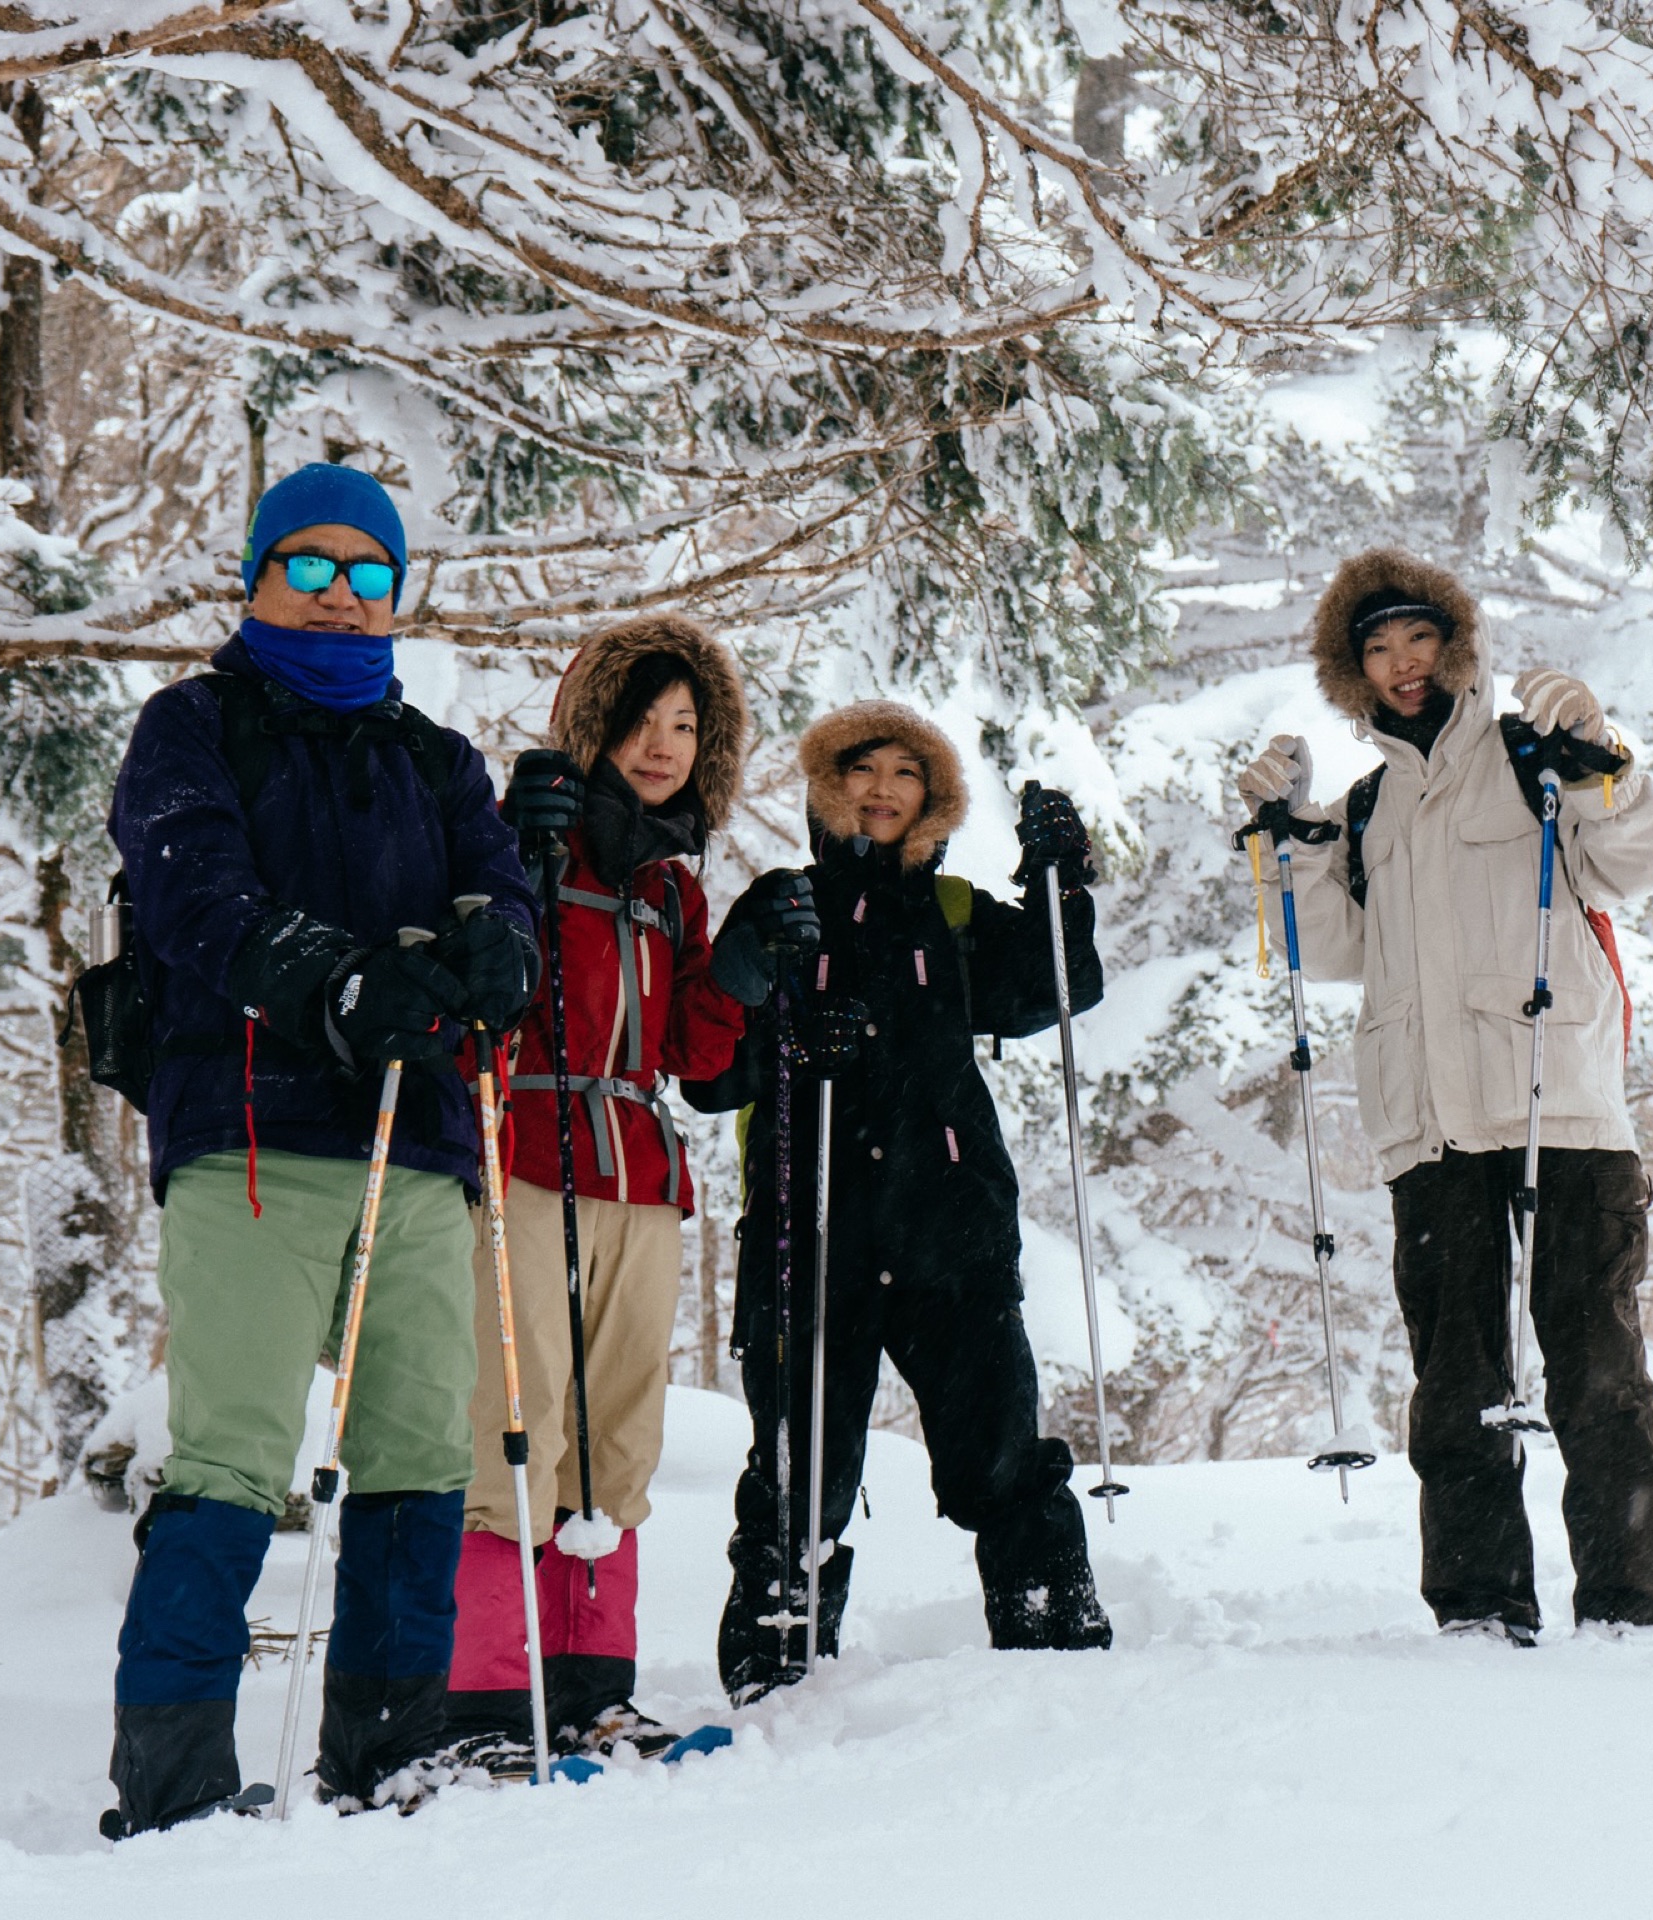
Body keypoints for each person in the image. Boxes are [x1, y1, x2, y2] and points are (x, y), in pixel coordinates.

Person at [102, 463, 539, 1833]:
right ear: (258, 574)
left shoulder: (436, 759)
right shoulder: (194, 726)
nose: (343, 597)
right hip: (251, 1134)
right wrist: (335, 981)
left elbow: (504, 898)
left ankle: (391, 1754)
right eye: (314, 565)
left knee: (418, 1448)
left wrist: (496, 955)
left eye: (370, 574)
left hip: (421, 1149)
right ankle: (172, 1787)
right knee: (232, 1454)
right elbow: (195, 897)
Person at [1234, 548, 1653, 1643]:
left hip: (1559, 1104)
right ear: (1355, 674)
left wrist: (1602, 759)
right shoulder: (1371, 804)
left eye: (1418, 638)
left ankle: (1627, 1607)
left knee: (1595, 1369)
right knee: (1456, 1380)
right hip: (1429, 1125)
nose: (1401, 663)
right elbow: (1321, 951)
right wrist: (1283, 841)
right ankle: (1480, 1608)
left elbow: (1633, 865)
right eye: (1377, 648)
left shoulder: (1531, 757)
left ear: (1457, 644)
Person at [685, 700, 1113, 1701]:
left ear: (935, 799)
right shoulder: (781, 906)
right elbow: (710, 1072)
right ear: (825, 787)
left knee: (999, 1455)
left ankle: (1056, 1644)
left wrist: (1062, 881)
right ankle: (777, 1667)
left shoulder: (957, 916)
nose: (882, 791)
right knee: (801, 1474)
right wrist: (779, 1018)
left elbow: (1062, 982)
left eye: (905, 775)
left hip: (949, 1233)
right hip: (808, 1233)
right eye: (861, 771)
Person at [440, 614, 803, 1761]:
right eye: (642, 720)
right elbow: (473, 1009)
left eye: (687, 725)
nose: (663, 745)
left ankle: (594, 1686)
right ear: (594, 724)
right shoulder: (515, 846)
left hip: (642, 1179)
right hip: (527, 1160)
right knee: (519, 1424)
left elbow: (695, 1057)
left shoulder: (670, 888)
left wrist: (738, 965)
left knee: (618, 1439)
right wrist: (521, 862)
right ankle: (490, 1698)